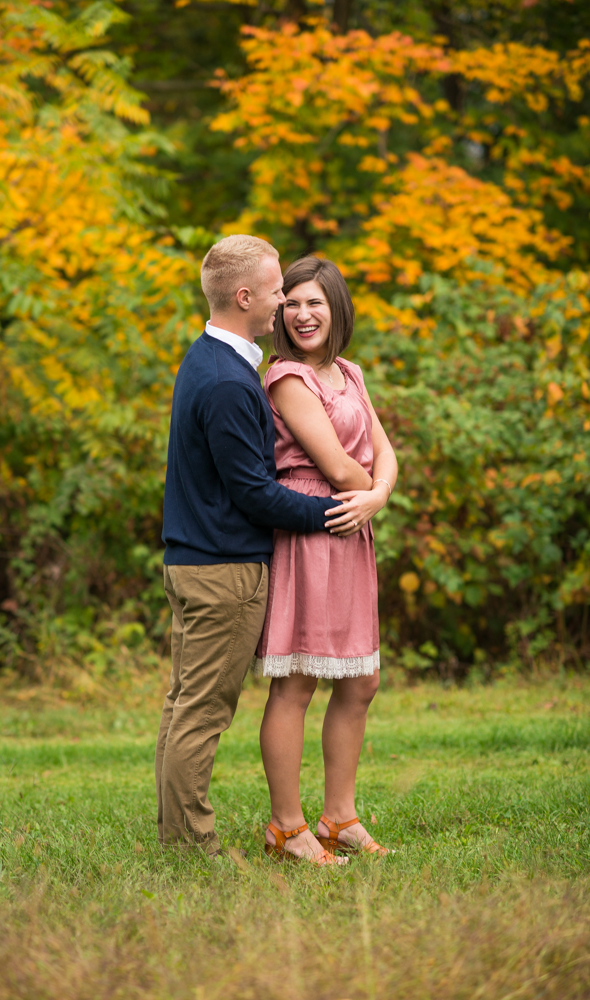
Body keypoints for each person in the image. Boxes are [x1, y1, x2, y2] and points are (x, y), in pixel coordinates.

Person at [157, 235, 374, 861]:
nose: (285, 302)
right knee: (201, 713)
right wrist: (334, 511)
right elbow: (254, 494)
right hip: (220, 567)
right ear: (246, 296)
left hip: (205, 560)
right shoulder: (229, 380)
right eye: (279, 290)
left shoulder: (215, 362)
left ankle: (180, 839)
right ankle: (193, 847)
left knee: (186, 707)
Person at [257, 256, 398, 864]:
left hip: (354, 526)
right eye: (291, 302)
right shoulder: (287, 376)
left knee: (361, 680)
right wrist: (365, 489)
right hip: (313, 526)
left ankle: (340, 817)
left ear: (336, 307)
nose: (302, 313)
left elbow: (384, 452)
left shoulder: (350, 372)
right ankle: (286, 828)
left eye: (314, 301)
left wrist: (379, 495)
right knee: (298, 681)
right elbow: (337, 465)